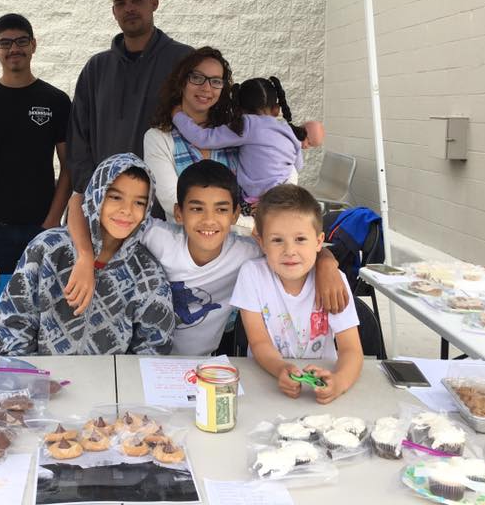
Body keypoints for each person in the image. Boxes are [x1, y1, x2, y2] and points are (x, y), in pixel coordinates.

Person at [68, 160, 350, 355]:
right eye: (197, 208)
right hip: (144, 357)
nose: (209, 220)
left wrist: (326, 262)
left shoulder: (246, 252)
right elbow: (78, 202)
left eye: (221, 209)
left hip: (204, 365)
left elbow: (295, 245)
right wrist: (84, 258)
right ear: (179, 213)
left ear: (236, 214)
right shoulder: (160, 237)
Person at [0, 153, 174, 356]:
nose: (127, 210)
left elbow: (154, 346)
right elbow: (15, 320)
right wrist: (33, 379)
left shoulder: (147, 271)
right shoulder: (47, 249)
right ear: (96, 196)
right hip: (43, 382)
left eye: (139, 202)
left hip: (113, 385)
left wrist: (121, 383)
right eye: (115, 197)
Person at [231, 184, 362, 404]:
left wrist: (339, 382)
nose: (289, 250)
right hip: (267, 385)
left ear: (319, 242)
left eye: (300, 239)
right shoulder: (252, 275)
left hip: (324, 388)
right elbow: (259, 342)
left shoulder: (334, 282)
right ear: (261, 242)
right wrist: (281, 368)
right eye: (277, 240)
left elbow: (351, 350)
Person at [66, 0, 192, 197]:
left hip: (165, 208)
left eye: (137, 0)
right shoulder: (96, 68)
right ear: (114, 12)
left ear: (154, 4)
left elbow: (203, 130)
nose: (129, 8)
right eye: (120, 3)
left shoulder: (184, 61)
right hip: (106, 204)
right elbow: (77, 141)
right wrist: (93, 191)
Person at [0, 14, 72, 275]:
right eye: (5, 43)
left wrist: (51, 223)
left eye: (21, 41)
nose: (14, 48)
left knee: (43, 304)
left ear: (33, 45)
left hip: (42, 226)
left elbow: (70, 167)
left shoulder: (56, 100)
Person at [172, 76, 304, 213]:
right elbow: (298, 166)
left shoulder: (247, 124)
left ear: (239, 110)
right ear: (276, 109)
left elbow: (203, 138)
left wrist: (178, 115)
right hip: (285, 199)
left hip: (255, 203)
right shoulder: (289, 130)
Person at [144, 46, 240, 220]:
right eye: (197, 78)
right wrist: (250, 224)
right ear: (181, 82)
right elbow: (173, 202)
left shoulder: (234, 134)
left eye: (216, 81)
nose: (206, 88)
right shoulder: (158, 138)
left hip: (241, 245)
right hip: (185, 245)